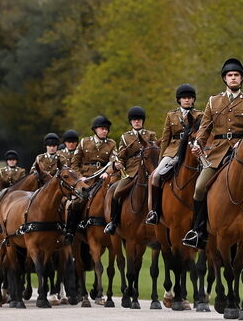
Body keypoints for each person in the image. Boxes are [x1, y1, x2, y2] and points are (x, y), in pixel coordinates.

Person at [181, 58, 243, 249]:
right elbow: (205, 127)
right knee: (199, 187)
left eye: (236, 76)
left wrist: (242, 143)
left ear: (241, 79)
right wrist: (198, 143)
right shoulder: (213, 101)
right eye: (230, 76)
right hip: (217, 152)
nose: (233, 78)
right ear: (225, 79)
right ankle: (198, 230)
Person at [145, 84, 203, 224]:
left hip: (193, 150)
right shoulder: (171, 115)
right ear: (179, 100)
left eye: (189, 98)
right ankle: (155, 211)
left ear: (193, 100)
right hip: (173, 151)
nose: (187, 100)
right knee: (156, 176)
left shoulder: (200, 115)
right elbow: (165, 139)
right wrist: (161, 159)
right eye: (184, 98)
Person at [104, 106, 158, 235]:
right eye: (134, 120)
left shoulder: (151, 135)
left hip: (148, 168)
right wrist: (119, 164)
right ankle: (113, 222)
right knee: (116, 193)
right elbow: (122, 155)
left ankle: (157, 215)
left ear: (143, 121)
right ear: (131, 122)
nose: (137, 122)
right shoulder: (125, 137)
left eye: (139, 119)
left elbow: (156, 151)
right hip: (132, 170)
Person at [70, 116, 117, 243]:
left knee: (114, 198)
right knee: (75, 202)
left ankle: (114, 225)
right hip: (86, 179)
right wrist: (80, 177)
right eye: (102, 129)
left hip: (103, 179)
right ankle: (72, 229)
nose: (105, 131)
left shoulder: (112, 143)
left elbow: (114, 161)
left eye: (106, 129)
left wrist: (107, 173)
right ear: (95, 130)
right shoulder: (84, 142)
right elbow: (74, 163)